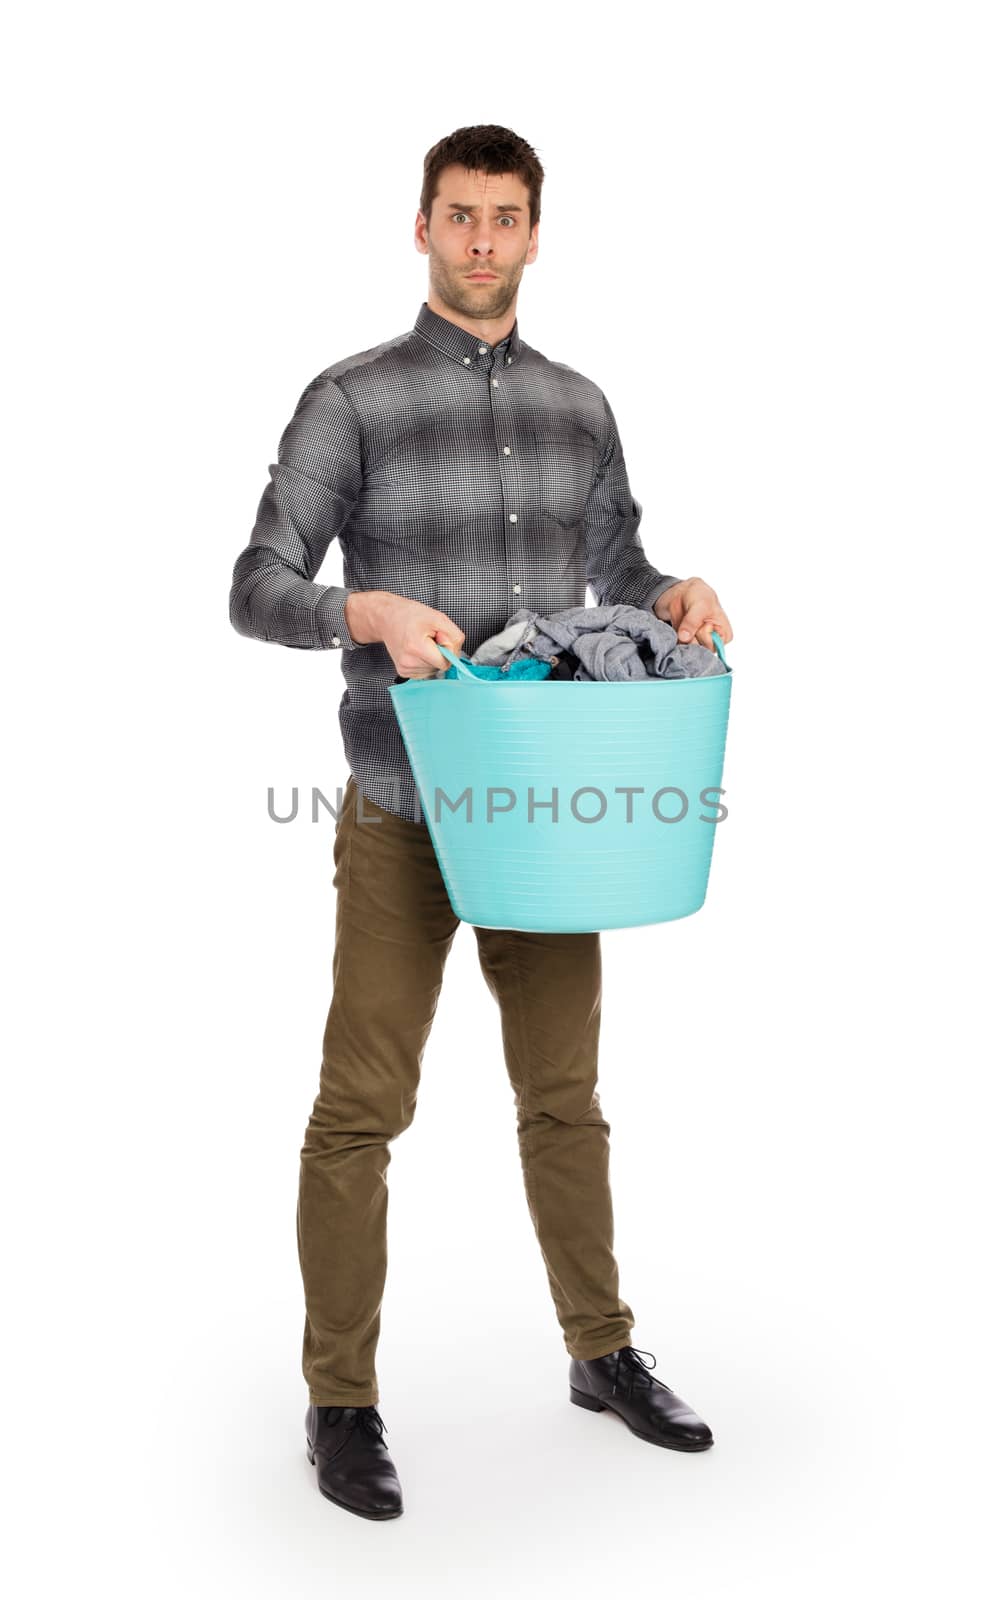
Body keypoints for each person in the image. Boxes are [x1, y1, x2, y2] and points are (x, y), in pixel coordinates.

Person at [229, 124, 734, 1522]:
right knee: (362, 1109)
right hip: (403, 802)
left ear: (533, 231)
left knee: (565, 1098)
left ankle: (602, 1350)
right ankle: (340, 1400)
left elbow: (615, 562)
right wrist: (363, 613)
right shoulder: (352, 399)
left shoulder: (581, 405)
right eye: (459, 215)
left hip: (551, 813)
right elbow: (256, 582)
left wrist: (676, 586)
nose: (481, 241)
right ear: (421, 226)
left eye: (505, 218)